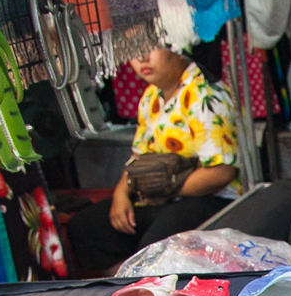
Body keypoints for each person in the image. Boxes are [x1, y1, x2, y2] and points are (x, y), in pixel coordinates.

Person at [68, 47, 239, 274]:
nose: (141, 57)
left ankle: (149, 289)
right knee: (86, 226)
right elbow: (138, 157)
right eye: (137, 49)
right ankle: (126, 288)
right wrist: (121, 195)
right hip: (160, 197)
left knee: (155, 246)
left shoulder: (207, 95)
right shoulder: (151, 96)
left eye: (152, 48)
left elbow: (221, 173)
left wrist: (163, 191)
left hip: (210, 199)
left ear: (178, 49)